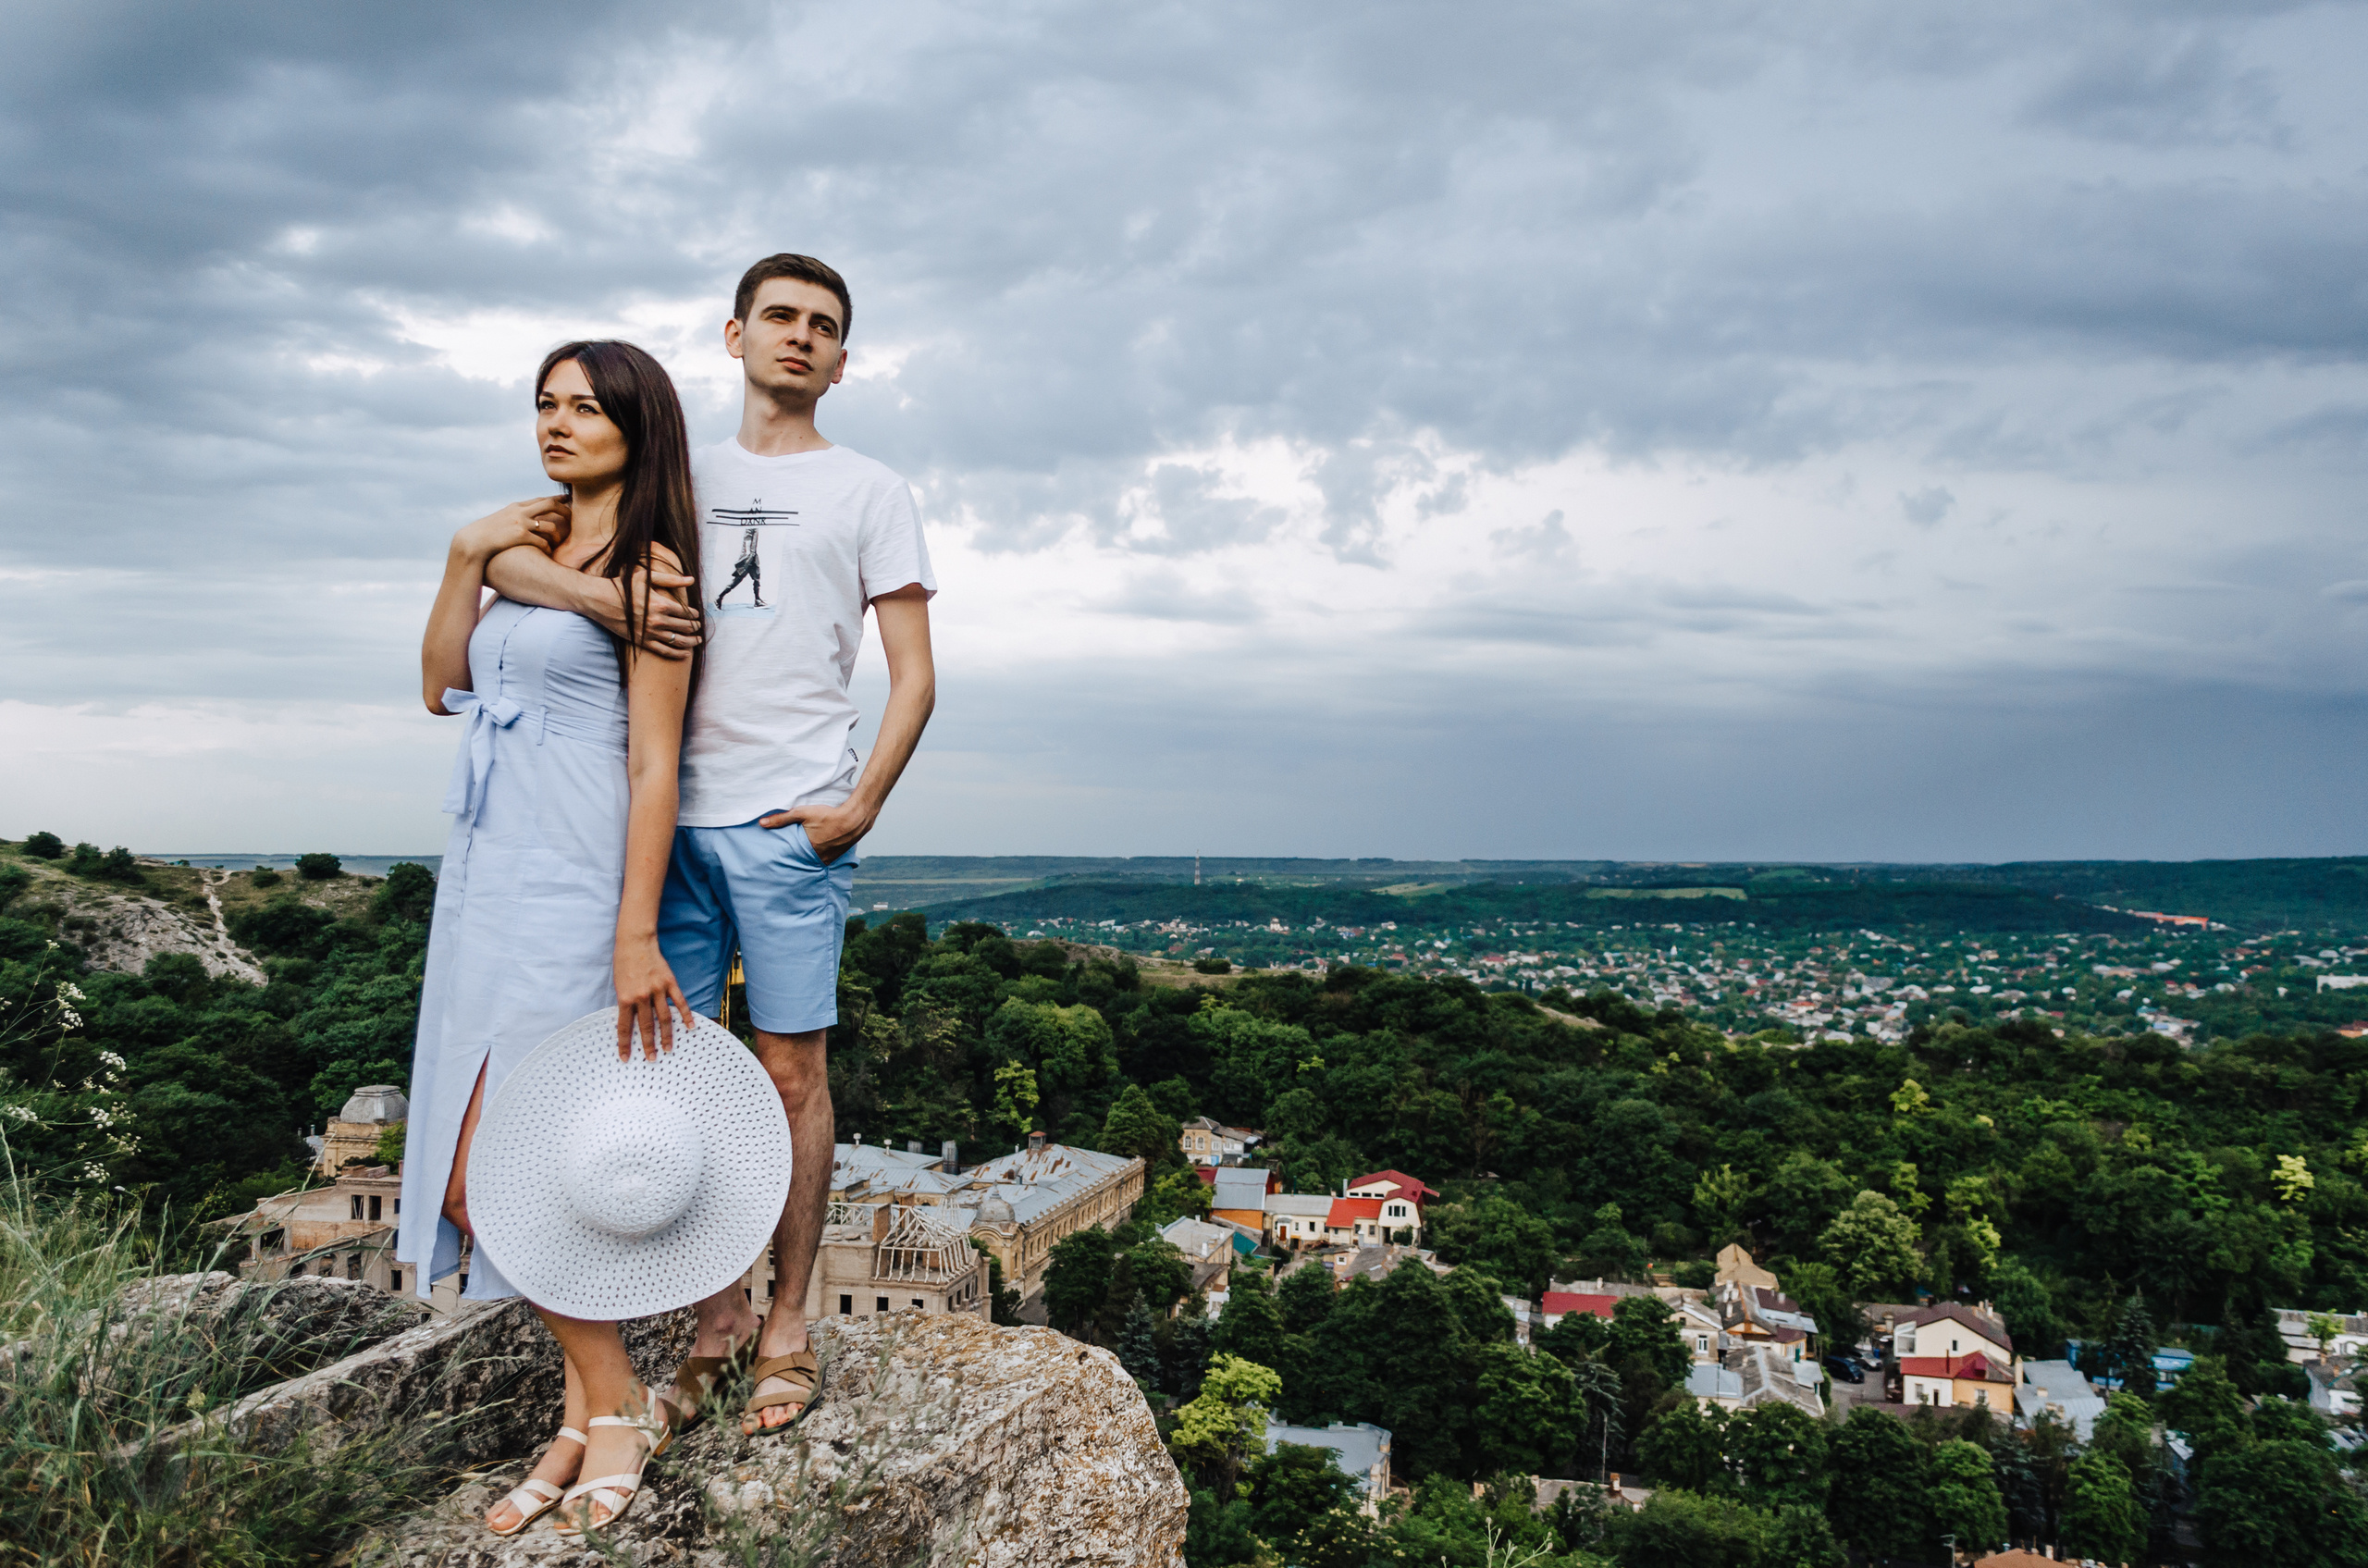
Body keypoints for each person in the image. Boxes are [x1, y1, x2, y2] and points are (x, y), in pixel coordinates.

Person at [486, 253, 937, 1437]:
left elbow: (916, 675)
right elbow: (519, 550)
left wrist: (861, 804)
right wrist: (590, 599)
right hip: (659, 824)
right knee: (675, 1084)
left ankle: (786, 1324)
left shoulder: (871, 490)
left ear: (844, 359)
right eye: (779, 318)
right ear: (733, 335)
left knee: (789, 1076)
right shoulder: (673, 472)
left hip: (791, 822)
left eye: (823, 326)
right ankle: (712, 1322)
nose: (800, 338)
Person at [396, 339, 703, 1536]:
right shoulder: (523, 550)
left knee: (506, 1168)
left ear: (640, 424)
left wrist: (637, 928)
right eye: (544, 403)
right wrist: (466, 552)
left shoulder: (657, 571)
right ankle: (585, 1414)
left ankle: (608, 1411)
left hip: (575, 872)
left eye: (586, 405)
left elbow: (656, 759)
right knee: (492, 1154)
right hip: (482, 870)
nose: (557, 422)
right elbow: (438, 683)